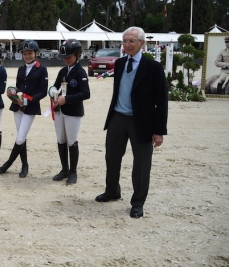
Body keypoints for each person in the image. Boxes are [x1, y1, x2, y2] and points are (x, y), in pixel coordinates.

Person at [96, 26, 168, 219]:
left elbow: (161, 101)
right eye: (125, 41)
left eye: (131, 41)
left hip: (142, 122)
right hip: (118, 118)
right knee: (111, 157)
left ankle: (137, 202)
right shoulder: (119, 64)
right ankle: (112, 190)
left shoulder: (153, 68)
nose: (127, 45)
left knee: (142, 164)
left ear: (142, 43)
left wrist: (159, 130)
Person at [0, 40, 48, 176]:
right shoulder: (21, 69)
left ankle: (8, 163)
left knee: (20, 137)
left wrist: (27, 100)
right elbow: (18, 87)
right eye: (25, 54)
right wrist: (12, 94)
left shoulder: (42, 69)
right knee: (22, 136)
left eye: (30, 53)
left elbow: (43, 91)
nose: (27, 56)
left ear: (36, 53)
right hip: (17, 105)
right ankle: (25, 165)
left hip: (30, 106)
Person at [48, 39, 90, 185]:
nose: (66, 60)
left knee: (71, 141)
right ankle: (64, 169)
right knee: (61, 140)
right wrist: (53, 92)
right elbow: (55, 86)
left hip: (73, 111)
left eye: (69, 57)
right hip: (60, 110)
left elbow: (86, 94)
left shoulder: (80, 72)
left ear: (78, 55)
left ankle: (73, 172)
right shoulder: (63, 71)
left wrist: (67, 99)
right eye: (64, 57)